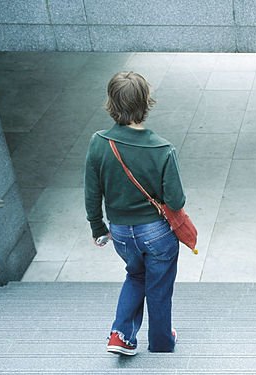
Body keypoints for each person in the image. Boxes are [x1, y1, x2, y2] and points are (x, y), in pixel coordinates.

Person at [84, 71, 185, 355]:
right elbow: (175, 201)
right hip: (156, 233)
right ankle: (162, 342)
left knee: (135, 276)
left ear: (111, 102)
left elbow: (92, 192)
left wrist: (97, 228)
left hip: (120, 232)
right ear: (145, 102)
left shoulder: (98, 142)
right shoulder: (162, 149)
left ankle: (120, 335)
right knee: (159, 285)